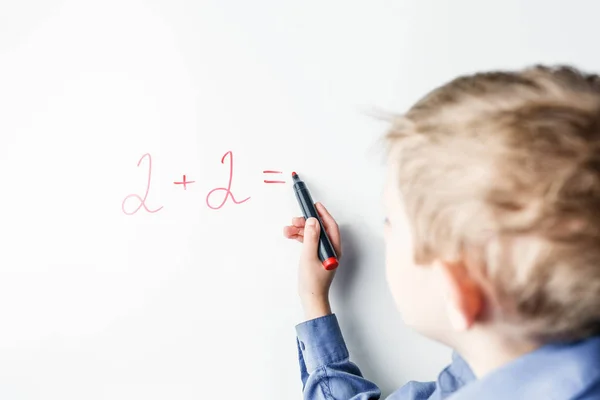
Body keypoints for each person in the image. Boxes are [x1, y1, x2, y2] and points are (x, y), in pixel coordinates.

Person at [283, 65, 600, 400]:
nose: (386, 231)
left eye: (391, 221)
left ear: (458, 289)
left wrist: (312, 299)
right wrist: (314, 299)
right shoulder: (481, 370)